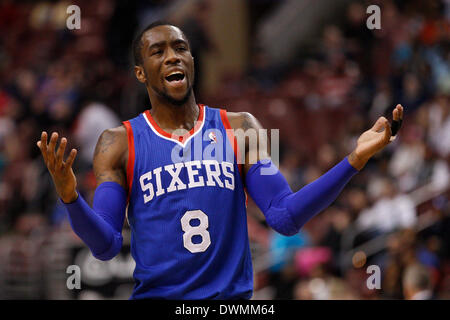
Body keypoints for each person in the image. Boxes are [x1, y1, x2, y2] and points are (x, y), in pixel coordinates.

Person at [36, 21, 404, 299]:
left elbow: (286, 217)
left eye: (180, 48)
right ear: (140, 73)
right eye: (158, 51)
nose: (172, 56)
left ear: (192, 61)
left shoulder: (240, 127)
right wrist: (71, 199)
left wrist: (354, 160)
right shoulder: (118, 143)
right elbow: (106, 246)